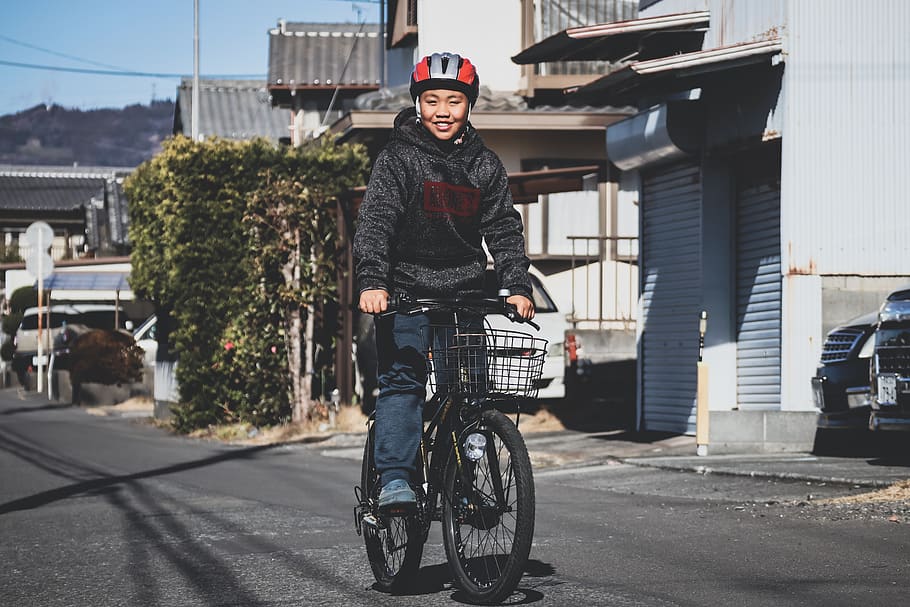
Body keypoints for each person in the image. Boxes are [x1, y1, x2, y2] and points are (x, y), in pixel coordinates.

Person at [353, 52, 535, 514]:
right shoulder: (398, 159)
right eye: (431, 99)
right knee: (403, 383)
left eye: (453, 100)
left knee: (469, 394)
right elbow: (376, 224)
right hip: (405, 292)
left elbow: (503, 228)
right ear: (418, 103)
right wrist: (374, 281)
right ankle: (395, 479)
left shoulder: (484, 165)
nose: (442, 110)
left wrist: (516, 284)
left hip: (465, 293)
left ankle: (462, 480)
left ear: (469, 105)